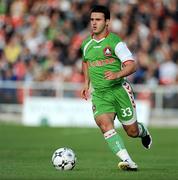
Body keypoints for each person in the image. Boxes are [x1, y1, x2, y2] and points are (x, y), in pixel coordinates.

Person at [80, 5, 152, 171]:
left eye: (98, 19)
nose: (94, 23)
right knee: (104, 125)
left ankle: (143, 131)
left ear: (107, 22)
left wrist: (117, 74)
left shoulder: (115, 42)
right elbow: (86, 62)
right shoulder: (86, 44)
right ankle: (128, 161)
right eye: (92, 20)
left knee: (132, 131)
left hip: (119, 91)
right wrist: (86, 83)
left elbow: (132, 66)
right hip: (100, 95)